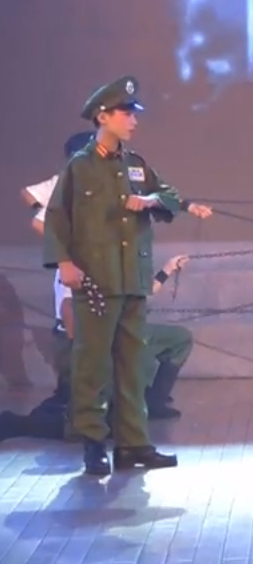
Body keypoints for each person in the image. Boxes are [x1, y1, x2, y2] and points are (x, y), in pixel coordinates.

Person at [42, 76, 186, 476]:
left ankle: (132, 445)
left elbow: (171, 197)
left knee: (132, 365)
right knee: (93, 365)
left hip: (132, 279)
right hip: (96, 279)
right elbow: (57, 218)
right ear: (102, 116)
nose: (133, 121)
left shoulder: (135, 164)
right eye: (125, 113)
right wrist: (64, 262)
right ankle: (92, 442)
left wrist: (152, 199)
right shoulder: (80, 166)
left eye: (133, 114)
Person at [22, 132, 211, 410]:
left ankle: (152, 403)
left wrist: (168, 266)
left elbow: (154, 193)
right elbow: (70, 314)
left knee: (168, 340)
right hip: (91, 346)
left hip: (115, 329)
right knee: (132, 357)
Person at [0, 254, 194, 444]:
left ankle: (153, 403)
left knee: (177, 339)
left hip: (114, 333)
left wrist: (167, 269)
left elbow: (141, 294)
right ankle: (18, 423)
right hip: (87, 342)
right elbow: (68, 309)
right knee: (94, 426)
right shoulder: (80, 259)